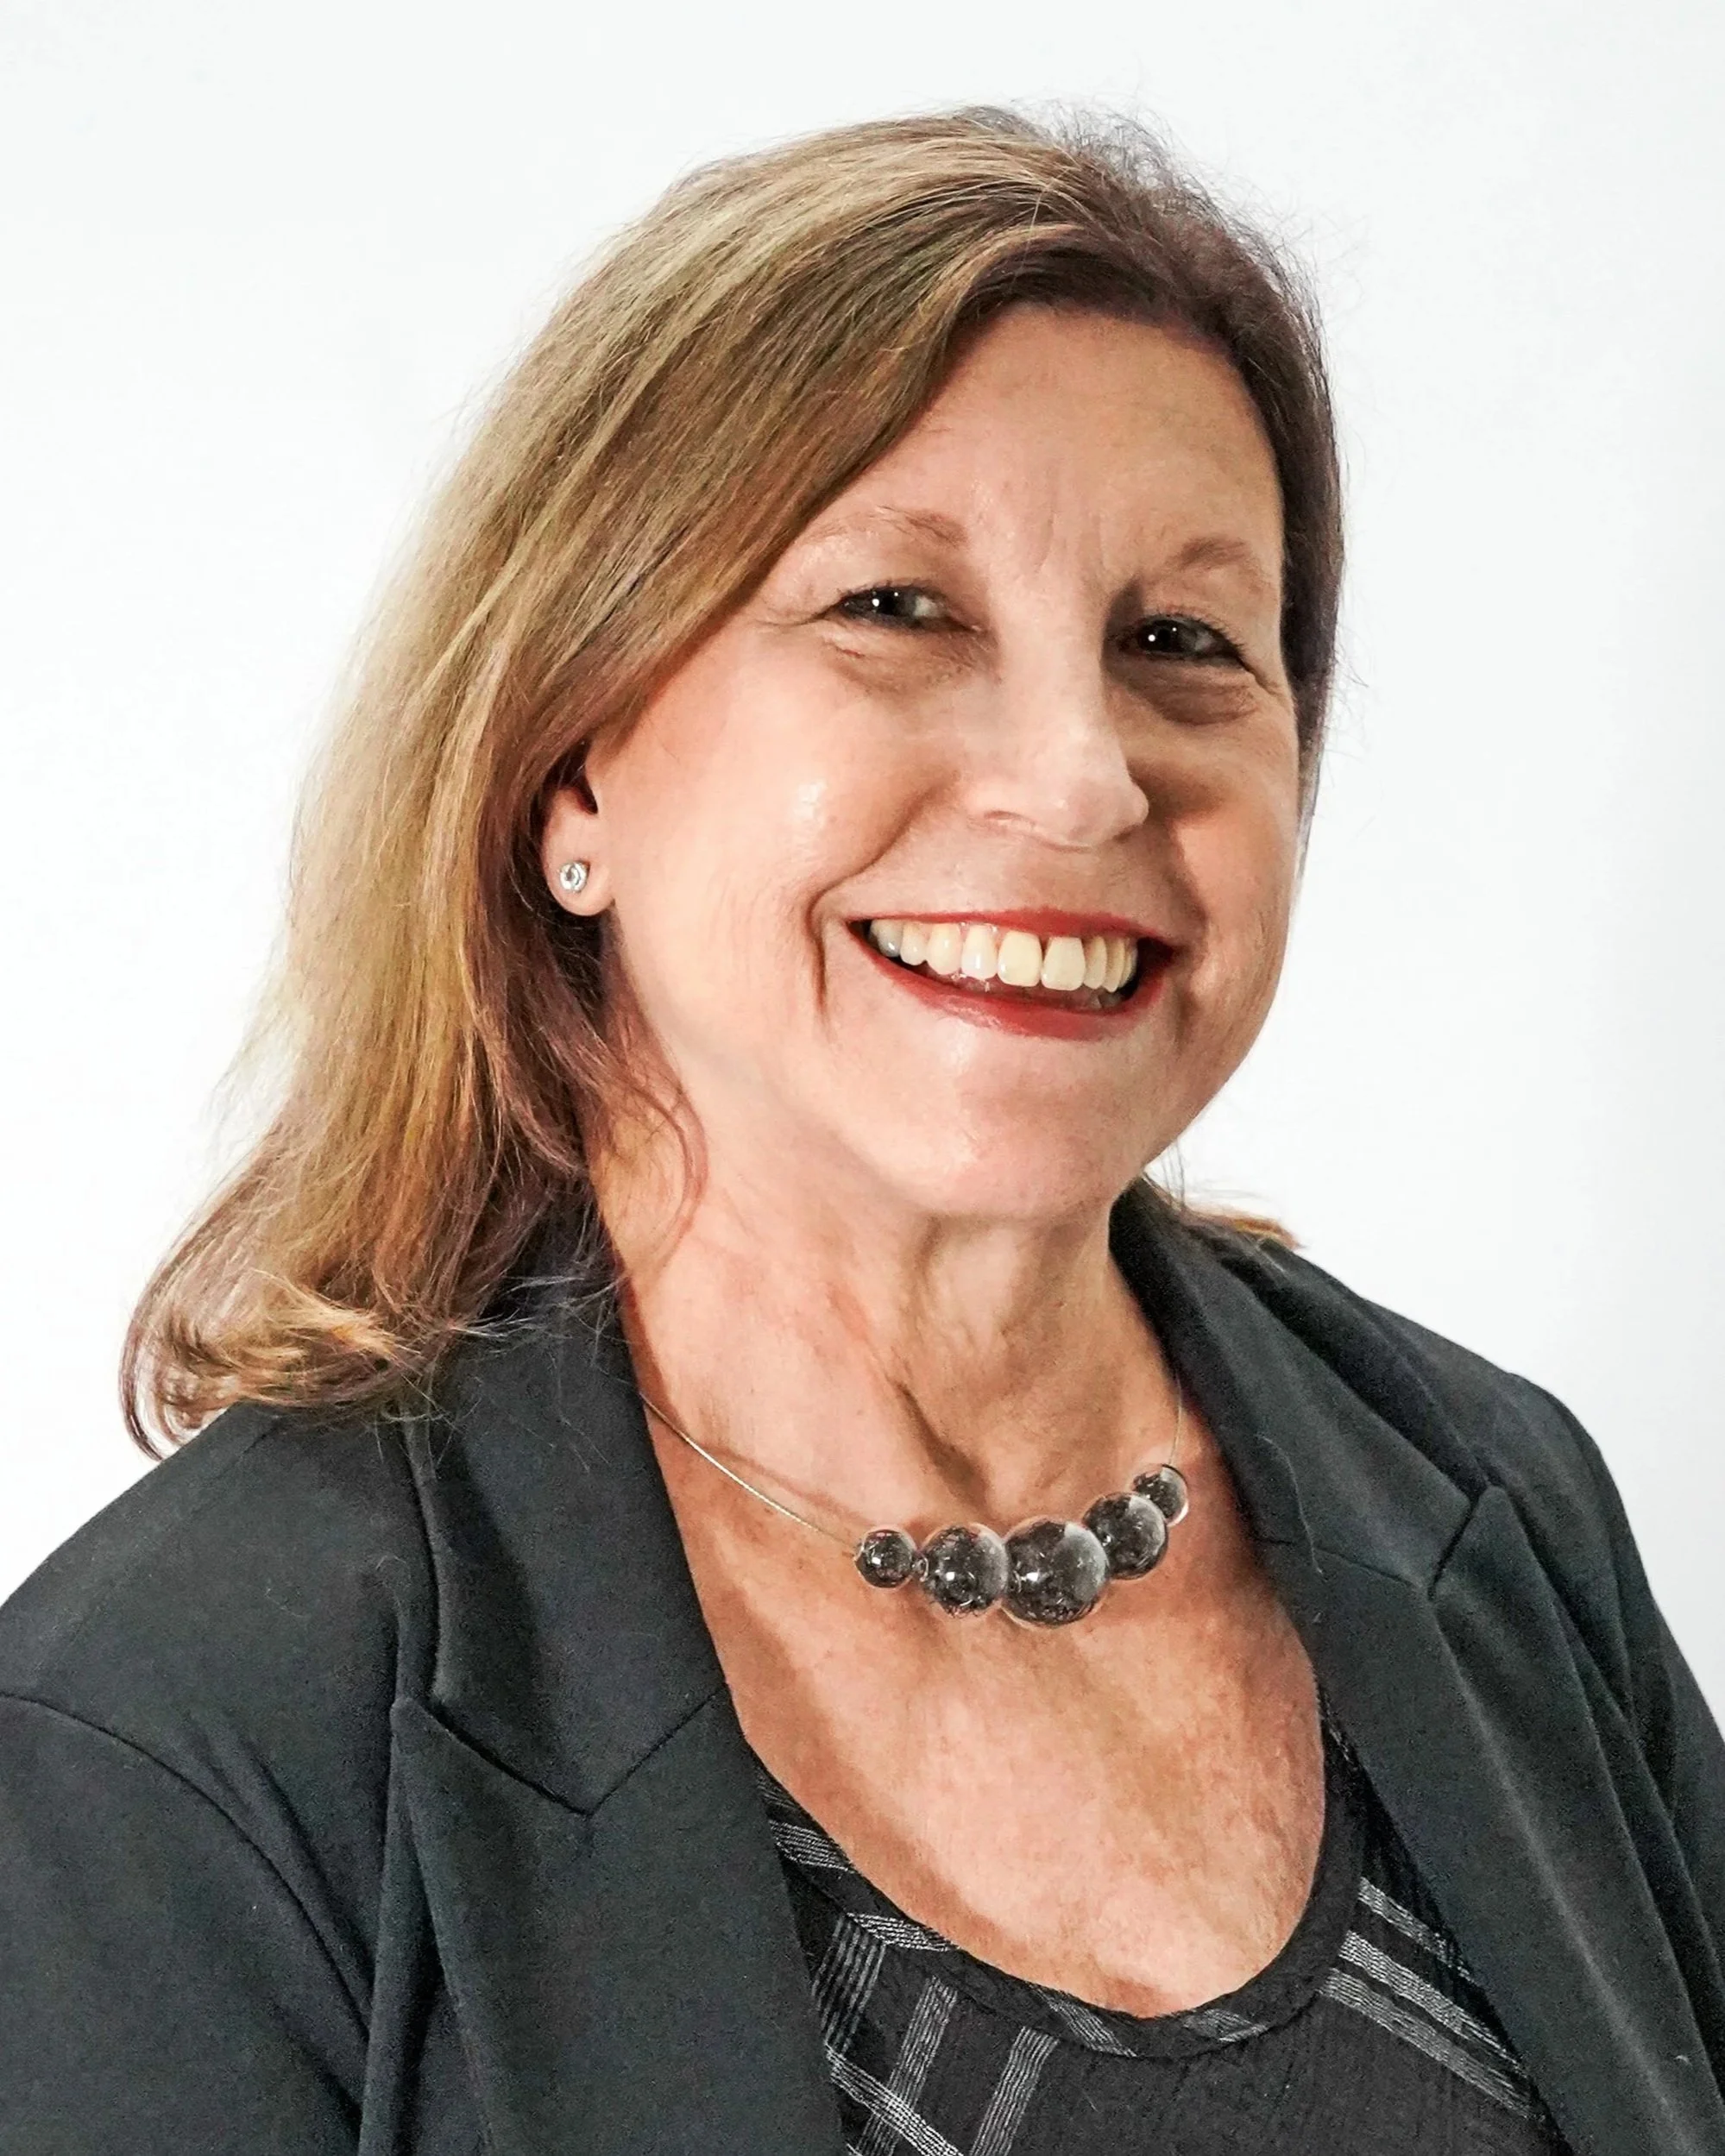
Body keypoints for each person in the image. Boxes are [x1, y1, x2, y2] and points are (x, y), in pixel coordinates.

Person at [0, 107, 1719, 2156]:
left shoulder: (1499, 1511)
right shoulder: (179, 1728)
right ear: (571, 775)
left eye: (1182, 643)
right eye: (899, 608)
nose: (1082, 780)